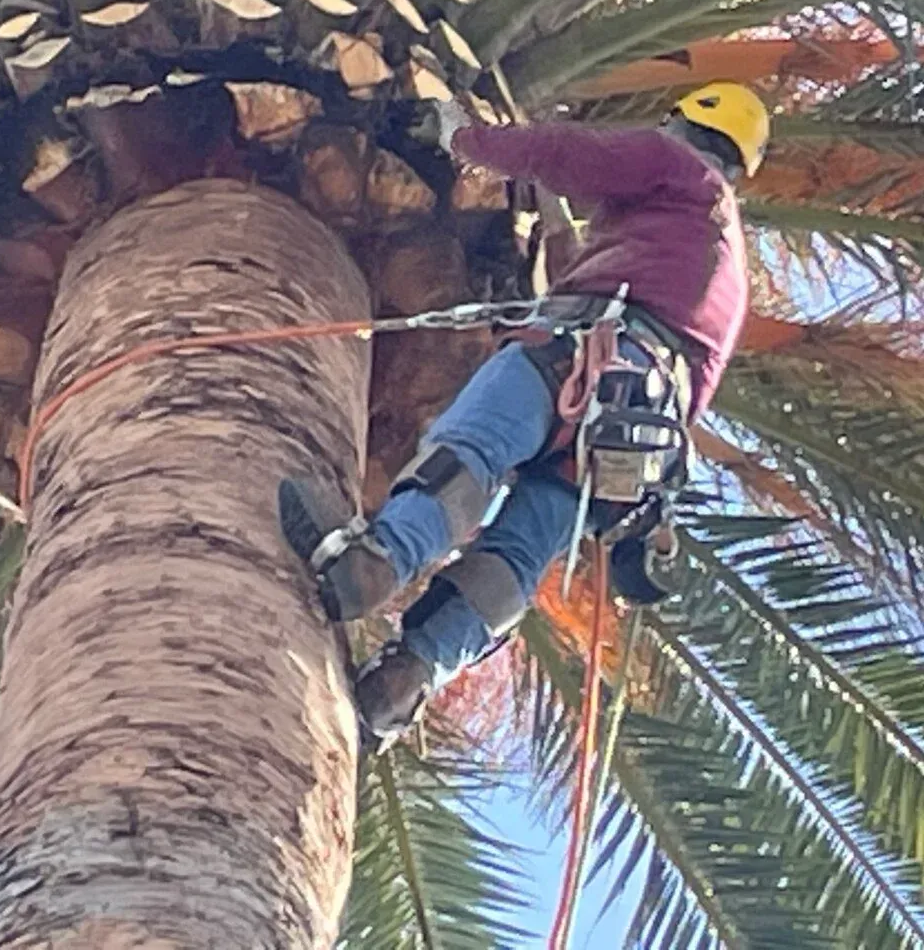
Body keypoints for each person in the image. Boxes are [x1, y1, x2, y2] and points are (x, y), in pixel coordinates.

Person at [280, 82, 770, 741]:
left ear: (683, 122)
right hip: (628, 441)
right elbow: (584, 269)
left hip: (574, 354)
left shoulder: (679, 167)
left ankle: (376, 561)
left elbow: (567, 153)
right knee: (518, 552)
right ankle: (408, 677)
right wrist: (548, 212)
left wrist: (464, 137)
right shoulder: (719, 258)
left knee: (472, 452)